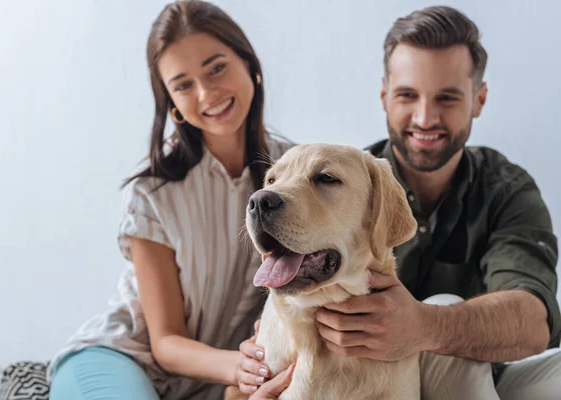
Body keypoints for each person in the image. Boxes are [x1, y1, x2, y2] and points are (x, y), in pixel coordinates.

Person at [238, 5, 561, 400]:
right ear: (384, 95)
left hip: (479, 374)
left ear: (479, 99)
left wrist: (426, 326)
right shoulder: (352, 171)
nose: (425, 117)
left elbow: (533, 321)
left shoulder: (505, 188)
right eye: (408, 95)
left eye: (447, 97)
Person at [45, 1, 294, 399]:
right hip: (124, 358)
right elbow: (164, 342)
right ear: (170, 101)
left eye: (216, 68)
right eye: (183, 85)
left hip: (226, 380)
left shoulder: (295, 172)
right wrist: (241, 366)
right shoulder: (151, 191)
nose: (207, 92)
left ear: (250, 64)